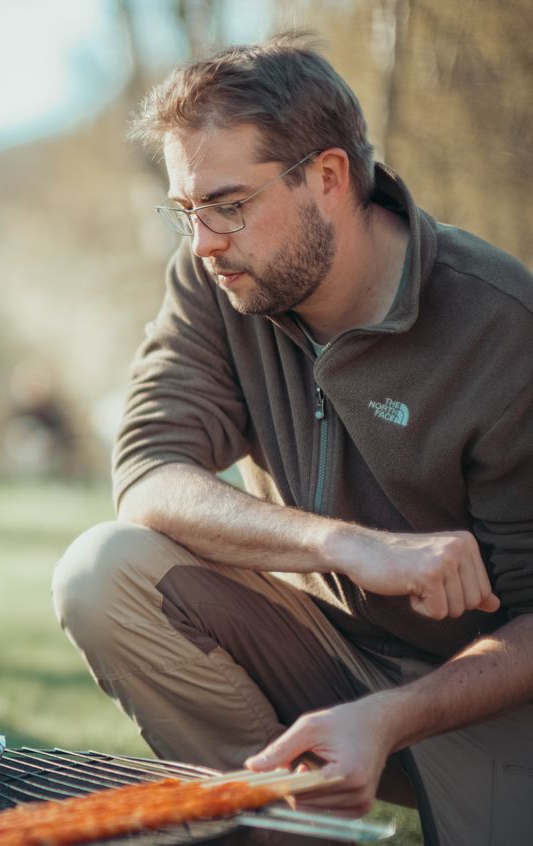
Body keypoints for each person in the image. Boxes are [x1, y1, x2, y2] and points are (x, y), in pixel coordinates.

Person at [51, 32, 533, 846]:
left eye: (229, 205)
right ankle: (280, 836)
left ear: (330, 177)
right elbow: (147, 474)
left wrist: (395, 715)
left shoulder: (502, 327)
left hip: (491, 698)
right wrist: (348, 546)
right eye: (185, 212)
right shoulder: (216, 276)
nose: (202, 242)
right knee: (103, 571)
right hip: (325, 654)